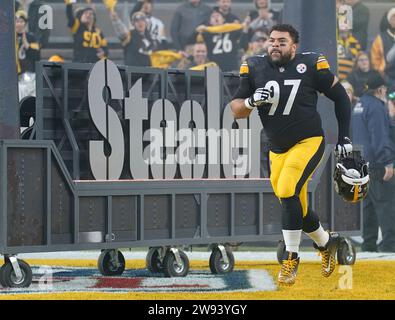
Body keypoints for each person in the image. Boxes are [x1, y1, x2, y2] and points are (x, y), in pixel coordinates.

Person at [230, 24, 353, 286]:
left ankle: (291, 258)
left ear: (293, 47)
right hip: (278, 148)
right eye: (272, 40)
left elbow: (341, 97)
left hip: (309, 141)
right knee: (296, 205)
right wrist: (251, 102)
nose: (275, 45)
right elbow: (236, 109)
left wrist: (344, 136)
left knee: (287, 190)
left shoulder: (310, 64)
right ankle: (326, 243)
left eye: (282, 41)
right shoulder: (254, 66)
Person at [351, 72, 395, 252]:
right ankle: (389, 244)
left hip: (360, 162)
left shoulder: (358, 105)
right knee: (386, 204)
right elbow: (380, 136)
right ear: (381, 89)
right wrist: (388, 162)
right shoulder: (376, 107)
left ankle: (368, 244)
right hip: (377, 163)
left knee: (368, 205)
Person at [15, 10, 40, 100]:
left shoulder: (31, 37)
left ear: (25, 23)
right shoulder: (10, 38)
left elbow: (37, 56)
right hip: (15, 75)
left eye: (21, 21)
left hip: (29, 74)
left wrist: (27, 45)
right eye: (17, 21)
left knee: (28, 98)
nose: (19, 24)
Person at [371, 8, 395, 87]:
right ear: (389, 20)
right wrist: (381, 73)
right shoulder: (380, 38)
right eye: (393, 17)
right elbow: (375, 59)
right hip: (386, 76)